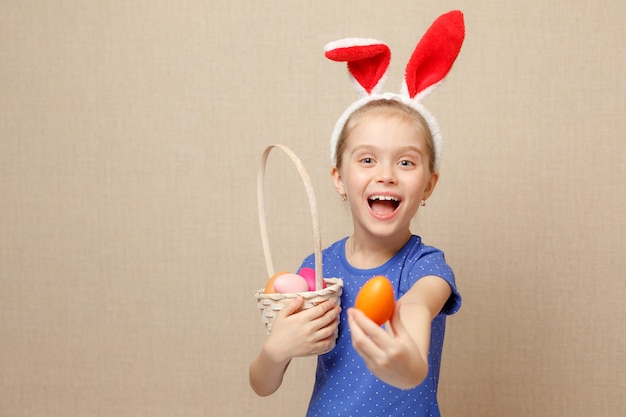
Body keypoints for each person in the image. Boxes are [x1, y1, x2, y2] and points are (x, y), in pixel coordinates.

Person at [250, 10, 465, 416]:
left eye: (406, 163)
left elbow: (417, 306)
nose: (386, 175)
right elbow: (262, 385)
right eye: (367, 160)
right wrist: (276, 351)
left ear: (429, 185)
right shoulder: (318, 268)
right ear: (338, 178)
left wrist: (408, 364)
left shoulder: (425, 267)